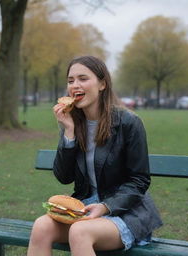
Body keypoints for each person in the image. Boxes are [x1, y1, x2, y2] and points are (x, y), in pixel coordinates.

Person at [27, 55, 162, 256]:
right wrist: (69, 133)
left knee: (80, 232)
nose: (75, 85)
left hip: (125, 213)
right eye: (71, 80)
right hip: (86, 208)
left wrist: (106, 207)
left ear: (102, 84)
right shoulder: (72, 122)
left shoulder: (128, 122)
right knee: (41, 226)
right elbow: (64, 177)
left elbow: (139, 181)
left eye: (83, 78)